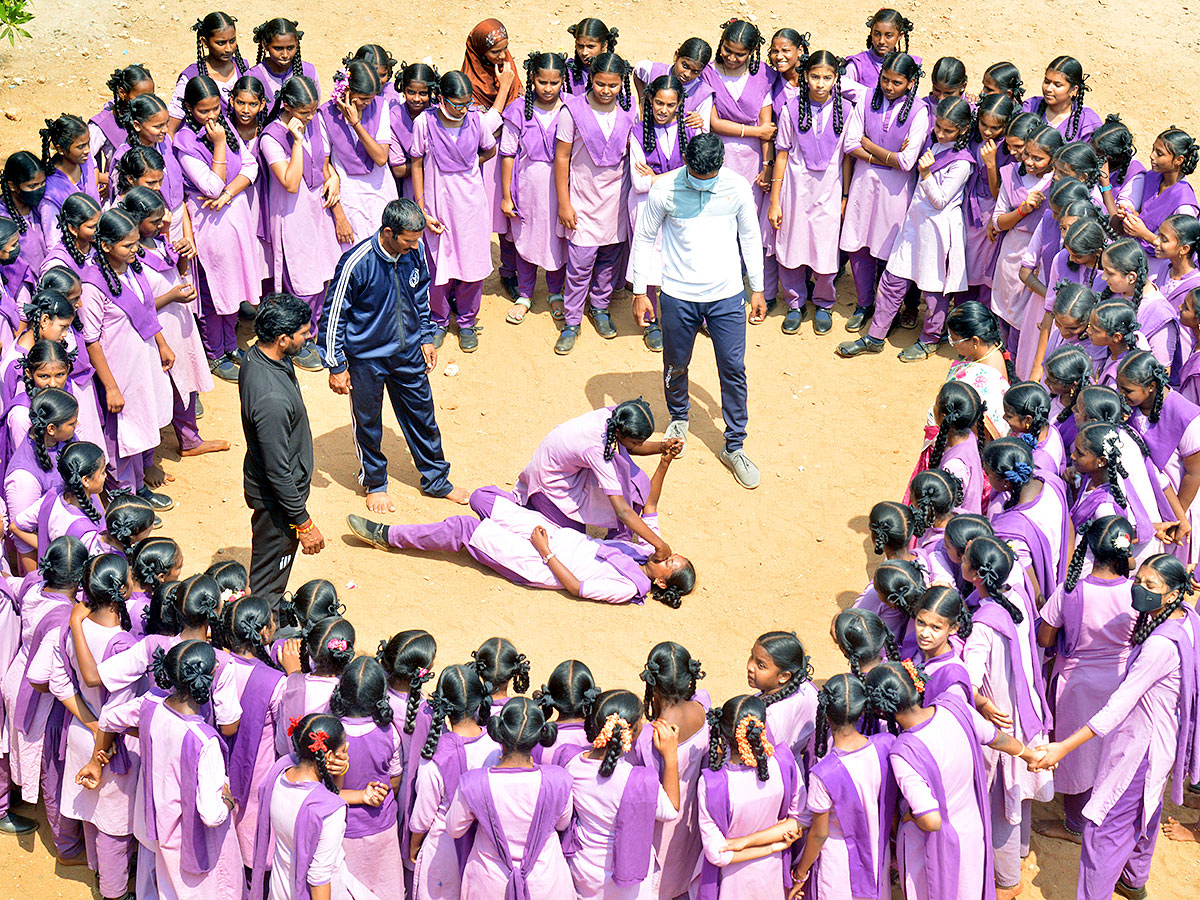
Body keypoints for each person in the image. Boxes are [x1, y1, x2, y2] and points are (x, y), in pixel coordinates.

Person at [630, 132, 765, 489]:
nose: (702, 187)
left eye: (709, 180)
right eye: (695, 178)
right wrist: (640, 291)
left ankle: (734, 445)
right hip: (677, 294)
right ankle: (678, 417)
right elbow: (644, 238)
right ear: (686, 163)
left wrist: (758, 288)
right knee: (676, 364)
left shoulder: (736, 188)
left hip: (726, 295)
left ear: (721, 165)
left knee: (733, 368)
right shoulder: (665, 189)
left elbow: (750, 236)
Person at [319, 198, 468, 513]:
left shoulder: (414, 252)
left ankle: (437, 480)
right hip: (366, 360)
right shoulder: (355, 263)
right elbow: (333, 315)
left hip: (408, 351)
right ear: (388, 232)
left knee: (423, 417)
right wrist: (335, 364)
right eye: (408, 240)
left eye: (417, 240)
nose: (415, 247)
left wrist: (426, 337)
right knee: (368, 422)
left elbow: (420, 295)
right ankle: (374, 483)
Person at [240, 293, 323, 610]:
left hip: (272, 485)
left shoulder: (257, 356)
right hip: (277, 500)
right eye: (303, 333)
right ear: (282, 338)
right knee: (269, 581)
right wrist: (303, 522)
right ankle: (259, 632)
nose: (309, 336)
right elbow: (278, 470)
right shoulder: (271, 400)